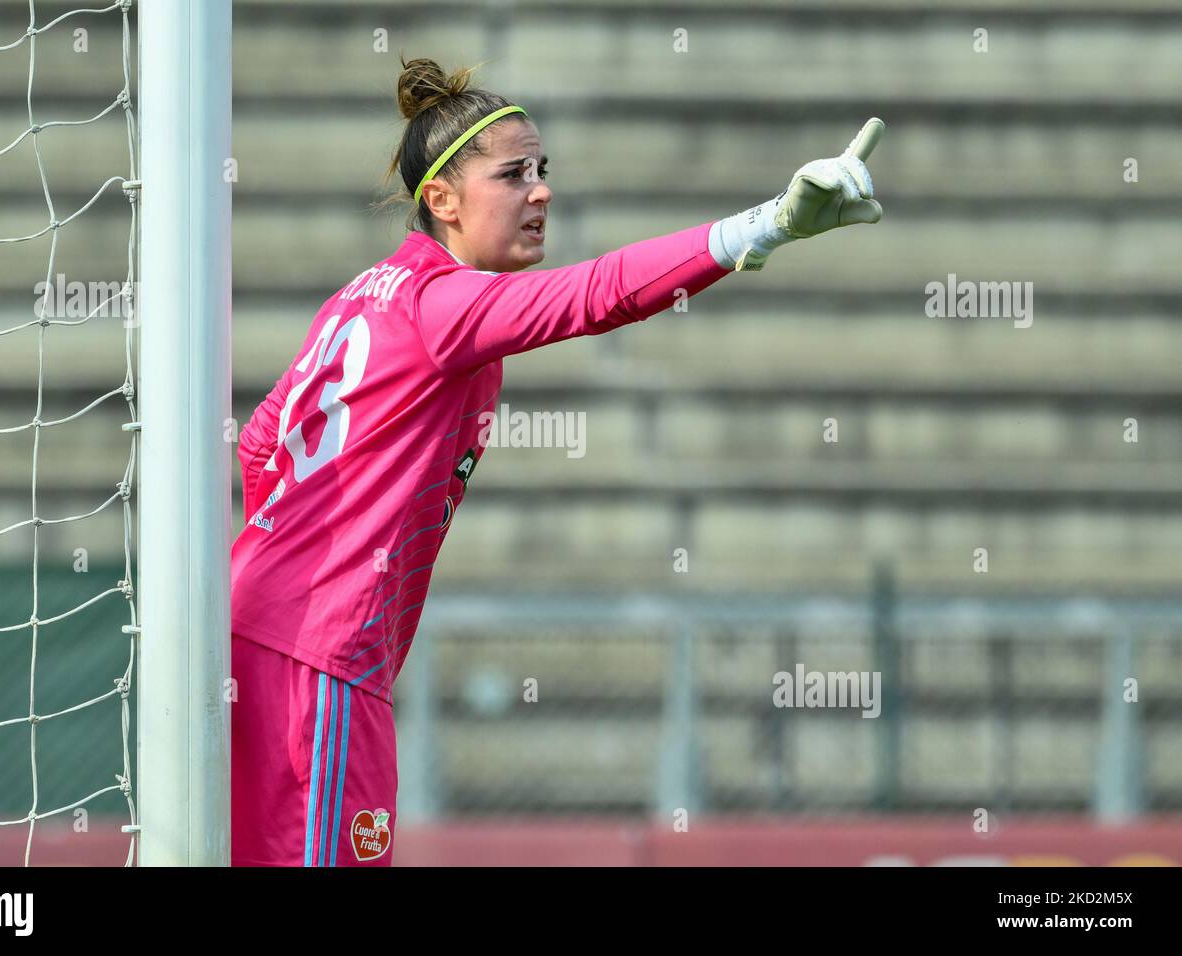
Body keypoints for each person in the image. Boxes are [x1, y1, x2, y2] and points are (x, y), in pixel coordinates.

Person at [229, 54, 884, 866]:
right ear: (442, 199)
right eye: (513, 176)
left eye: (542, 171)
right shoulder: (446, 306)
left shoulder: (364, 294)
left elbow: (262, 442)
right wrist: (768, 224)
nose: (540, 191)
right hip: (319, 655)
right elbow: (598, 293)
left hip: (256, 634)